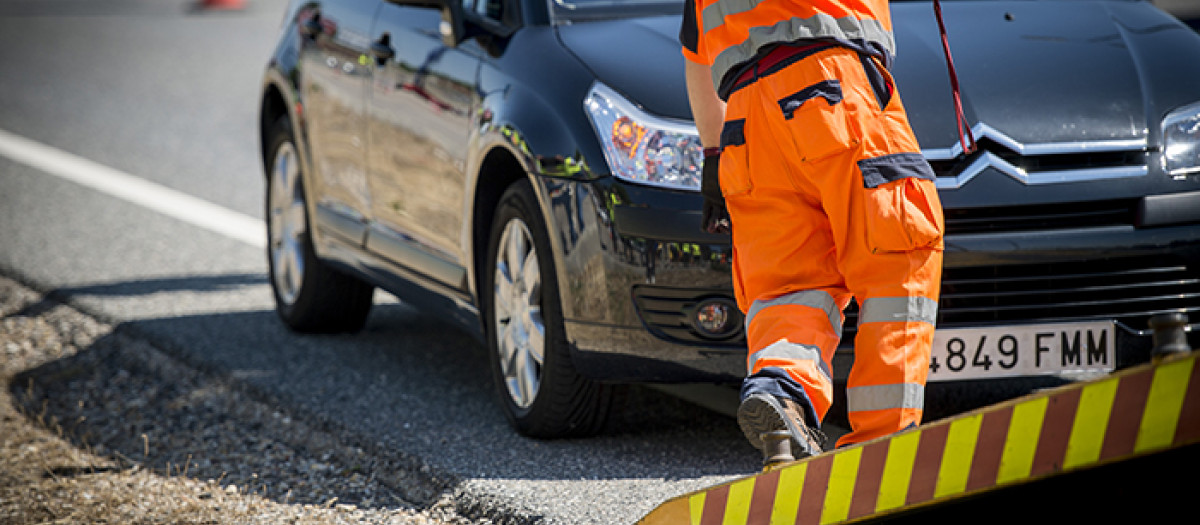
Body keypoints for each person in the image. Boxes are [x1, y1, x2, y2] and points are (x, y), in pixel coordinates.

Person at [680, 0, 945, 457]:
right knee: (899, 257)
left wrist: (710, 157)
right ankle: (882, 443)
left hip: (745, 119)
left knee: (790, 285)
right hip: (832, 86)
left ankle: (783, 389)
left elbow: (697, 57)